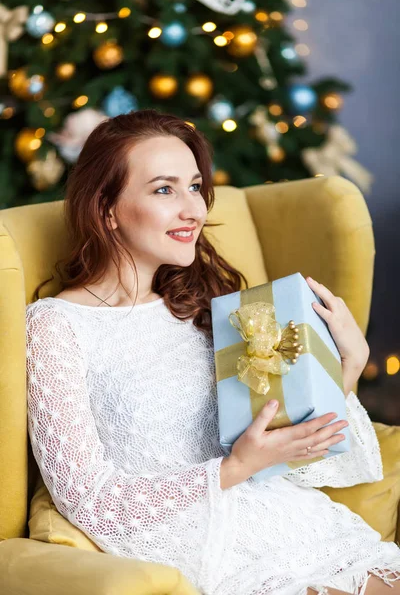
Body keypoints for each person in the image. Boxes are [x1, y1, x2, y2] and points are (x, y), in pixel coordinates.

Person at [26, 109, 400, 595]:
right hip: (198, 548)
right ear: (106, 208)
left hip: (293, 524)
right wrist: (235, 468)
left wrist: (346, 366)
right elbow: (89, 499)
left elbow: (295, 453)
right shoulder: (57, 325)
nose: (194, 210)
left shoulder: (205, 306)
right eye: (164, 189)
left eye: (195, 186)